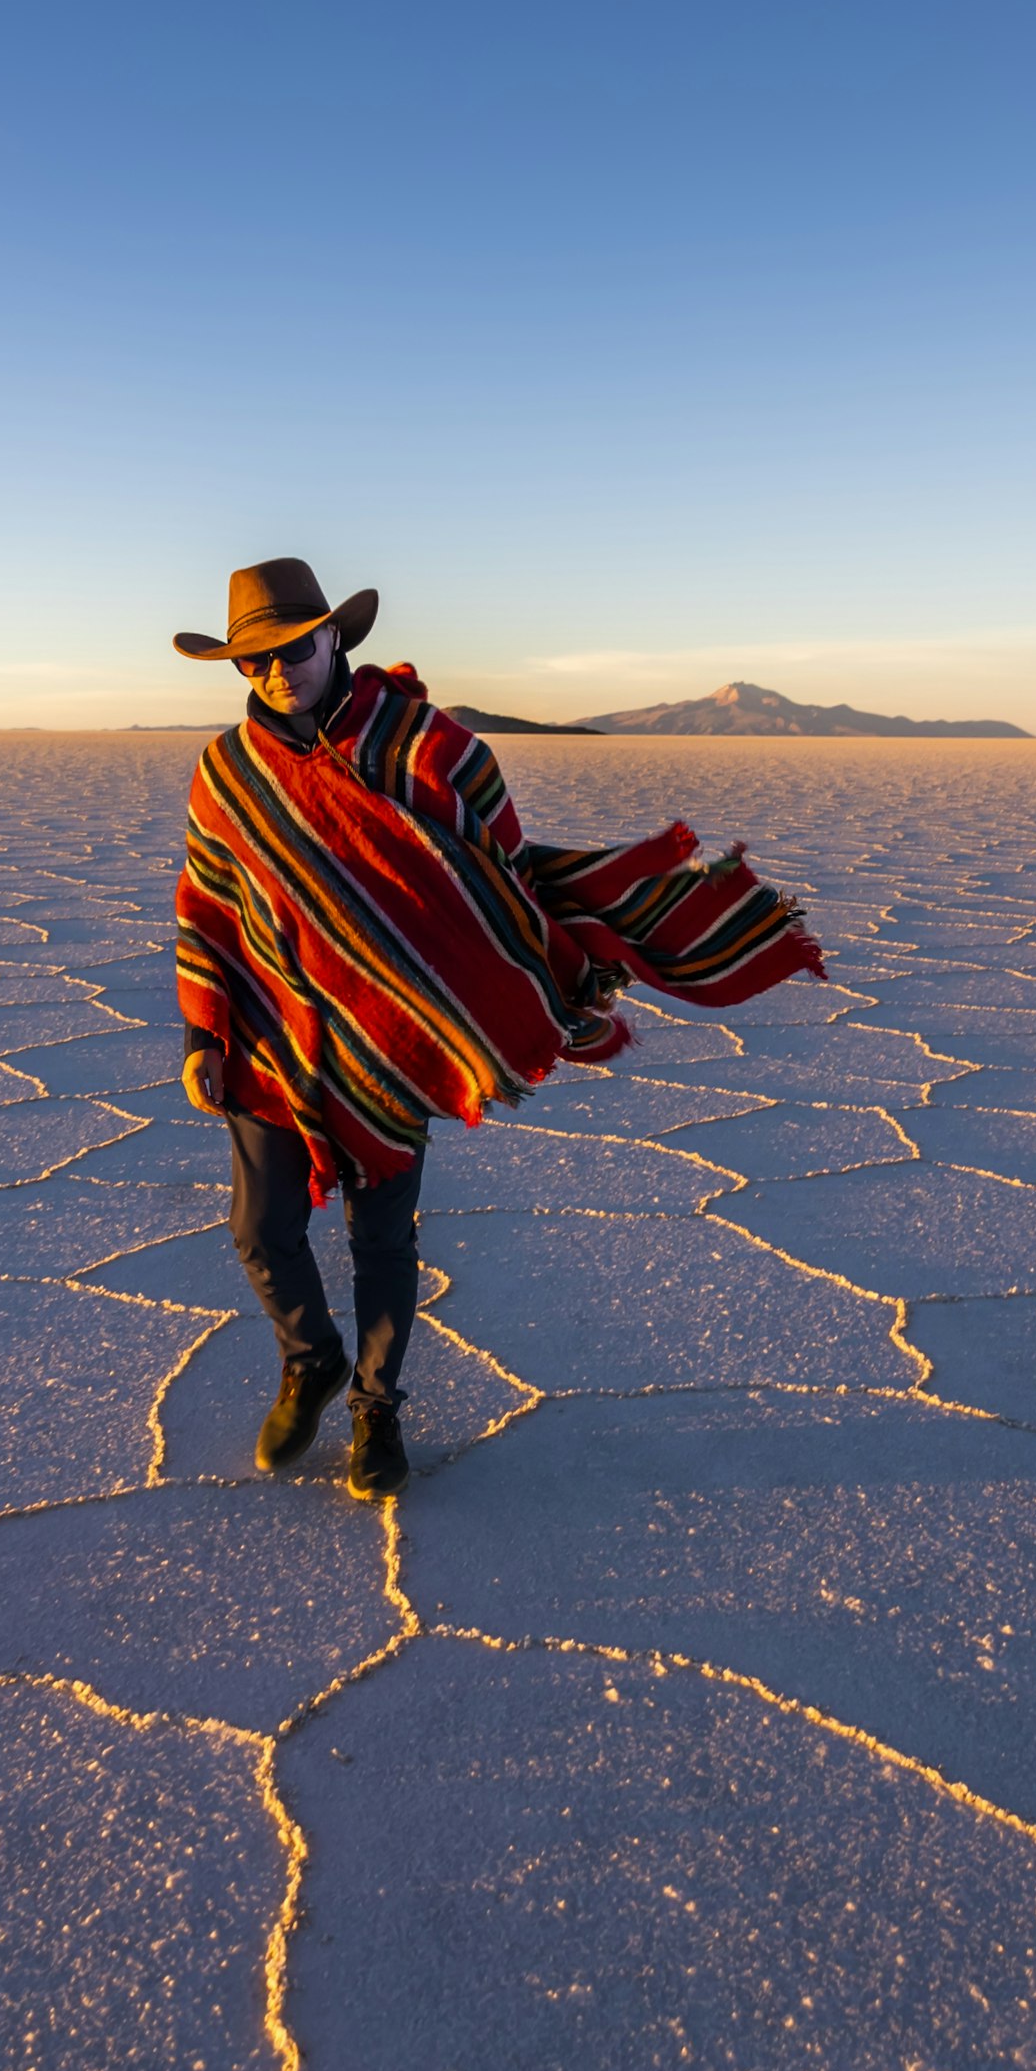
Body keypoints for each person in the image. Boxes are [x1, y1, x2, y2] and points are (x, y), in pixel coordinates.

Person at [170, 558, 827, 1496]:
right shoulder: (230, 770)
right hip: (274, 1028)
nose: (278, 670)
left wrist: (539, 955)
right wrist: (203, 1030)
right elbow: (208, 898)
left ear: (333, 638)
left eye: (294, 647)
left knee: (381, 1243)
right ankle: (309, 1358)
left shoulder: (422, 743)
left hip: (400, 1037)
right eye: (255, 659)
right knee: (260, 1228)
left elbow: (495, 870)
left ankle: (375, 1409)